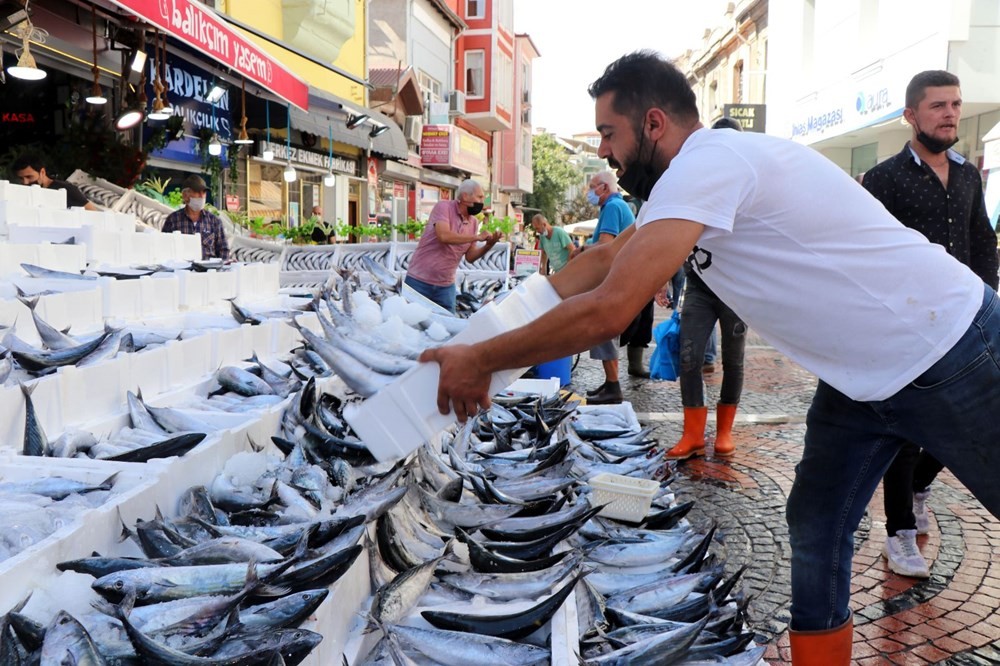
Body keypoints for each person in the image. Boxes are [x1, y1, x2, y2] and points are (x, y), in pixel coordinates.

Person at [421, 50, 1000, 665]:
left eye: (609, 134)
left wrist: (481, 359)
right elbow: (605, 262)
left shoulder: (710, 162)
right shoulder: (690, 178)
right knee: (816, 520)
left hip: (947, 346)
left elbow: (610, 309)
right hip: (862, 378)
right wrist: (503, 317)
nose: (606, 153)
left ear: (652, 124)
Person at [862, 70, 999, 579]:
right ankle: (899, 533)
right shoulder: (883, 180)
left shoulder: (965, 174)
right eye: (938, 105)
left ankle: (920, 487)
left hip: (962, 321)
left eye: (956, 104)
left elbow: (982, 240)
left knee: (960, 422)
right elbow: (870, 256)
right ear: (911, 115)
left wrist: (987, 303)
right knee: (903, 430)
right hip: (905, 324)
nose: (950, 114)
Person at [662, 116, 749, 461]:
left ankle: (724, 432)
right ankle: (693, 432)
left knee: (734, 360)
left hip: (735, 288)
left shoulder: (747, 183)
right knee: (689, 355)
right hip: (699, 284)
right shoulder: (701, 180)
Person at [404, 179, 500, 312]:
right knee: (411, 325)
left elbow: (470, 257)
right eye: (479, 197)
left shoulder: (473, 223)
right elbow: (444, 236)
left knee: (447, 329)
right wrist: (477, 237)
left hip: (446, 286)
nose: (482, 202)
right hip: (419, 282)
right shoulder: (444, 207)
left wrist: (488, 245)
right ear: (465, 196)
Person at [580, 170, 635, 404]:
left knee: (604, 329)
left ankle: (613, 386)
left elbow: (605, 247)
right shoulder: (615, 206)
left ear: (604, 187)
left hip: (615, 277)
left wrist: (581, 251)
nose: (589, 192)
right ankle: (610, 383)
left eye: (592, 187)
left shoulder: (613, 207)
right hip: (619, 275)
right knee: (606, 331)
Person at [161, 175, 229, 260]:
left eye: (204, 192)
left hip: (208, 271)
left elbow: (224, 251)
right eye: (197, 192)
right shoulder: (173, 220)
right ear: (186, 195)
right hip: (182, 270)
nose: (201, 196)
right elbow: (164, 248)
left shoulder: (214, 221)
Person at [11, 154, 98, 210]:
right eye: (21, 178)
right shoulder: (23, 193)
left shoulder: (67, 190)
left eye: (29, 177)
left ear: (42, 172)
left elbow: (93, 212)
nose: (25, 182)